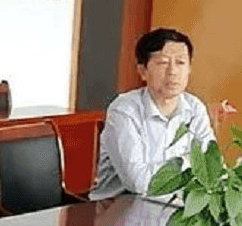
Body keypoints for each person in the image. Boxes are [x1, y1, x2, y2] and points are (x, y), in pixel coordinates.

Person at [90, 28, 217, 200]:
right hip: (119, 207)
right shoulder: (124, 110)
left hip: (174, 205)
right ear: (143, 71)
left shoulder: (194, 107)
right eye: (163, 63)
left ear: (189, 69)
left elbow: (211, 168)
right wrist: (191, 161)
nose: (172, 71)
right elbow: (139, 183)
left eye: (180, 62)